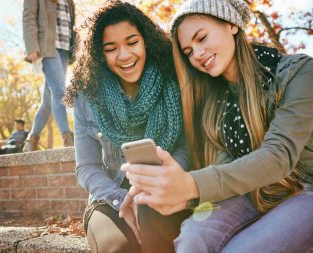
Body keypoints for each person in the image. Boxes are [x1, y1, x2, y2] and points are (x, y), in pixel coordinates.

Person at [122, 0, 313, 252]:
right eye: (188, 52)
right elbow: (225, 166)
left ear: (231, 25)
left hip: (306, 190)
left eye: (201, 38)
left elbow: (278, 156)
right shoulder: (212, 100)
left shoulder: (300, 73)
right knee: (193, 237)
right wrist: (169, 193)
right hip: (254, 192)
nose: (197, 54)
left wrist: (191, 186)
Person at [63, 1, 191, 252]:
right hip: (109, 200)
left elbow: (186, 146)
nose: (124, 55)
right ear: (100, 54)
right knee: (119, 248)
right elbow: (87, 168)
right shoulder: (86, 97)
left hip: (165, 189)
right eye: (111, 48)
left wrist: (166, 180)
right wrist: (123, 199)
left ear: (146, 42)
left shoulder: (174, 83)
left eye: (132, 43)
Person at [22, 0, 76, 151]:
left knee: (48, 101)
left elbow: (71, 24)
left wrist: (75, 48)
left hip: (65, 49)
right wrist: (31, 46)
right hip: (47, 48)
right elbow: (29, 18)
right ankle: (67, 137)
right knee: (59, 92)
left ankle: (31, 140)